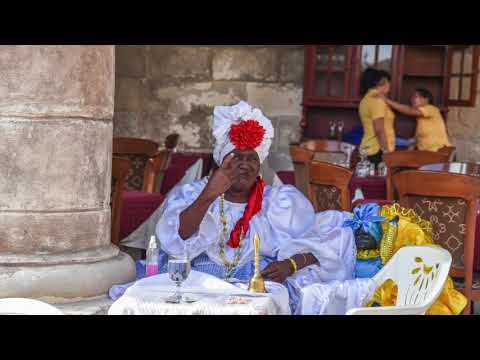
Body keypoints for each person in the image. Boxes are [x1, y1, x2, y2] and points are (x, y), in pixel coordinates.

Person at [147, 101, 358, 313]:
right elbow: (175, 240)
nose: (244, 164)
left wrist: (290, 265)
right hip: (200, 284)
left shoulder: (278, 203)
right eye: (236, 157)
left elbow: (325, 242)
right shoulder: (194, 194)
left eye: (252, 159)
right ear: (221, 162)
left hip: (258, 287)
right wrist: (210, 194)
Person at [377, 88, 452, 152]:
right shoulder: (420, 122)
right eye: (411, 97)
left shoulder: (432, 109)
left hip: (440, 152)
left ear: (426, 99)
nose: (412, 99)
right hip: (428, 155)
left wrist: (386, 100)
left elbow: (409, 110)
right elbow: (415, 142)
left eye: (415, 96)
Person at [358, 68, 396, 167]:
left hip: (368, 148)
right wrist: (386, 153)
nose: (389, 85)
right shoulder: (377, 100)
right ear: (382, 82)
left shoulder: (365, 99)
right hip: (377, 150)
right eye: (388, 81)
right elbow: (379, 129)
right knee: (380, 182)